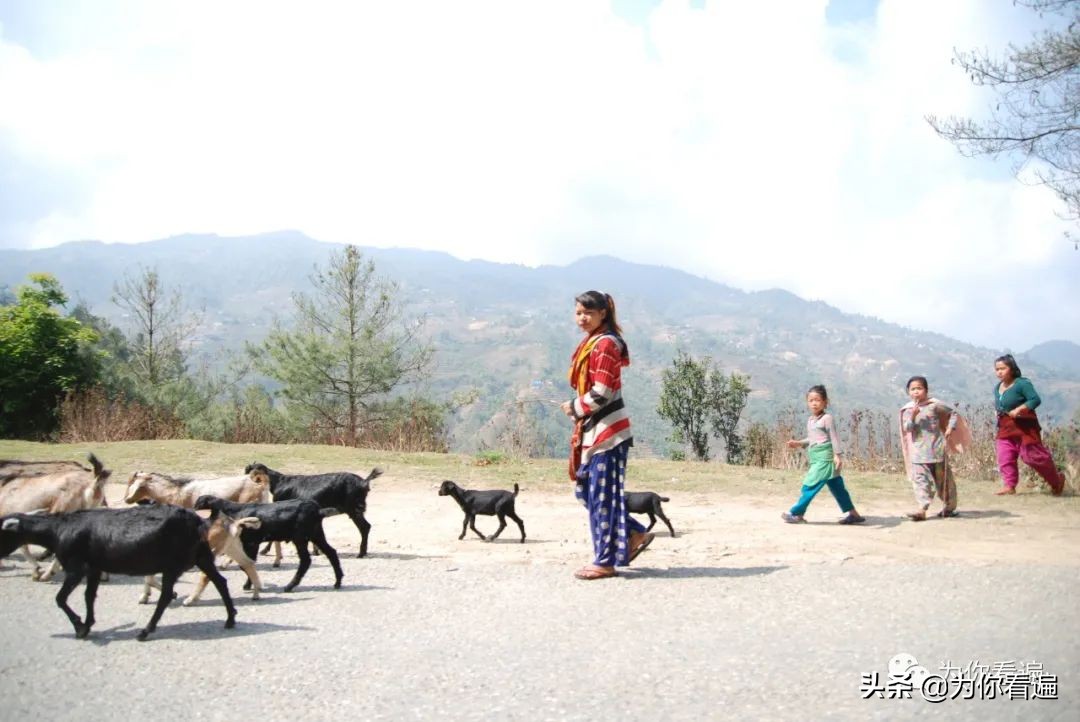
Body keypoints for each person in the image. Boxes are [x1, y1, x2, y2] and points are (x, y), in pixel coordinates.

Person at [560, 291, 653, 580]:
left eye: (588, 312)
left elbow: (602, 392)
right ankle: (635, 533)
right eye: (578, 313)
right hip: (596, 432)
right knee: (588, 491)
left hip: (608, 434)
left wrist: (575, 407)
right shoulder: (594, 344)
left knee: (601, 497)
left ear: (603, 313)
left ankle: (605, 560)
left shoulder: (605, 345)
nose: (582, 318)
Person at [782, 385, 865, 524]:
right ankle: (854, 515)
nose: (814, 403)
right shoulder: (810, 420)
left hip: (825, 459)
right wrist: (798, 443)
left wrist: (838, 455)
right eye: (811, 400)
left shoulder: (827, 418)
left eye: (818, 400)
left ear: (825, 402)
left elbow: (834, 437)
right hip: (816, 457)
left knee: (809, 485)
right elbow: (813, 439)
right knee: (838, 488)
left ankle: (796, 513)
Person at [898, 376, 972, 521]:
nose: (916, 392)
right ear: (908, 392)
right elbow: (907, 429)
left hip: (936, 450)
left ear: (926, 390)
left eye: (919, 388)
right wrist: (913, 416)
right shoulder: (907, 410)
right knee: (920, 480)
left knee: (943, 481)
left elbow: (953, 413)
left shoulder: (934, 405)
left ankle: (949, 507)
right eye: (913, 389)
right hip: (918, 453)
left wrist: (950, 428)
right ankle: (922, 509)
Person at [992, 354, 1065, 496]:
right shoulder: (997, 387)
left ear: (1011, 369)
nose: (999, 372)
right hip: (1005, 427)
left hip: (1025, 426)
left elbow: (1035, 400)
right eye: (997, 369)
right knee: (1004, 456)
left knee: (1032, 456)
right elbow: (1000, 404)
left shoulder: (1022, 384)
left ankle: (1056, 481)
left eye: (1003, 368)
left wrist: (1020, 409)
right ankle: (1009, 486)